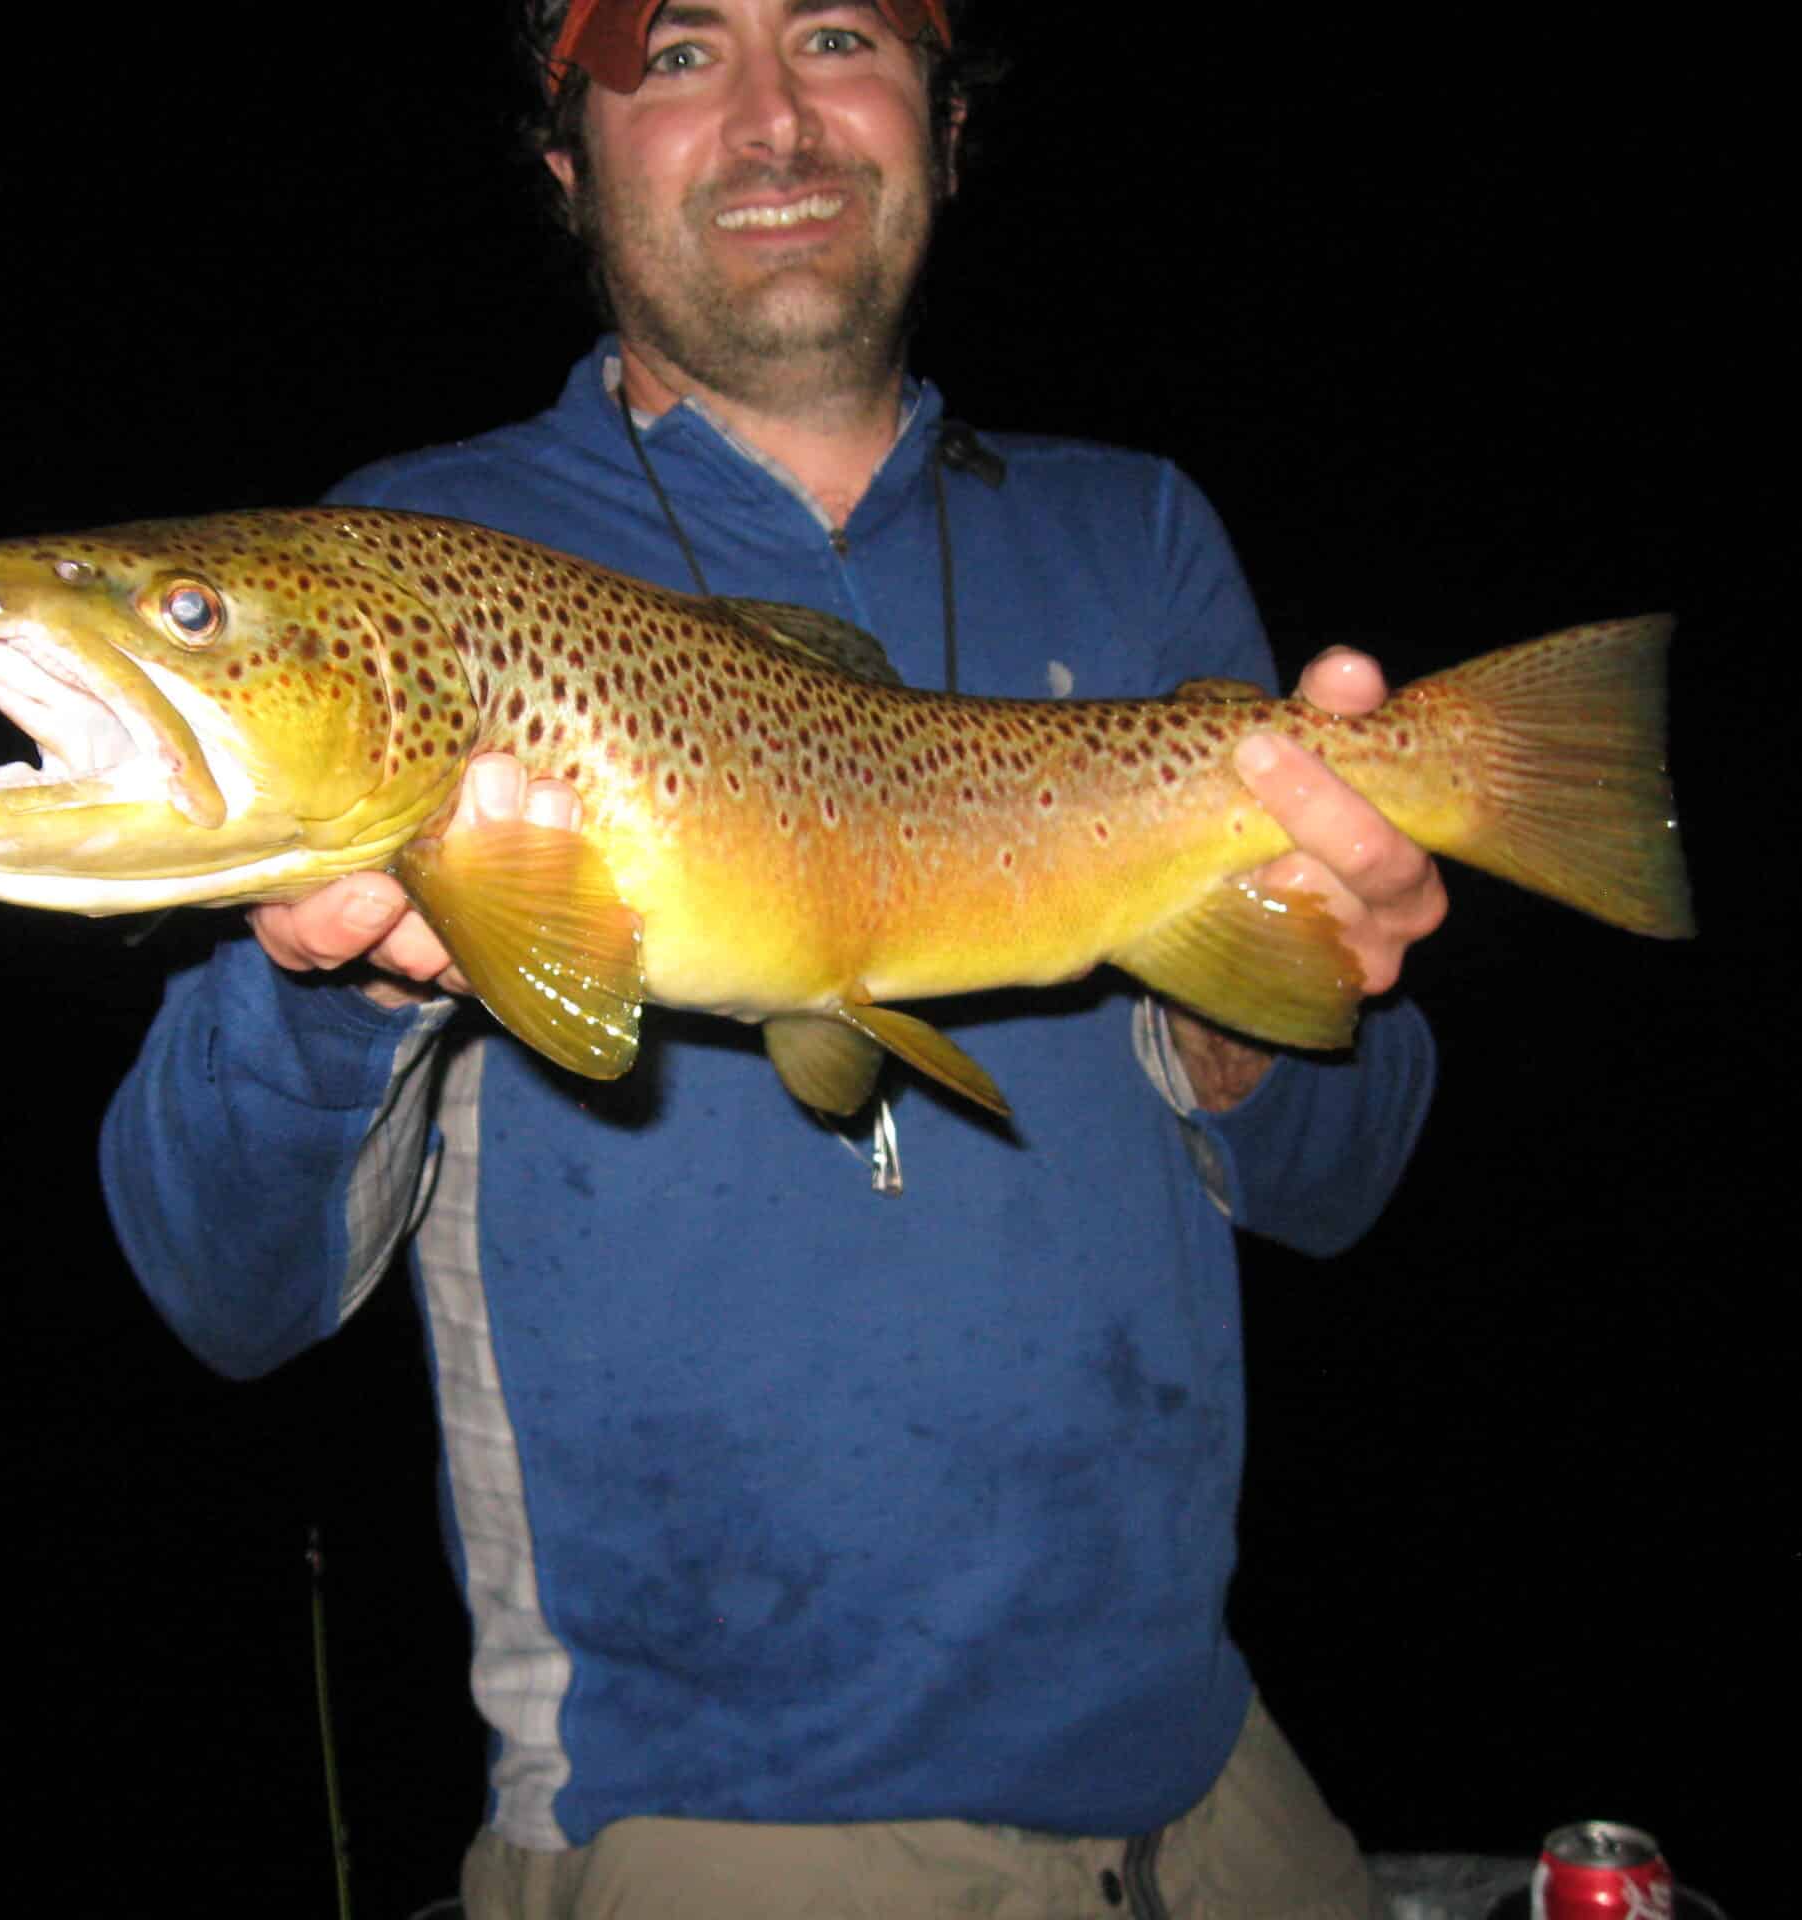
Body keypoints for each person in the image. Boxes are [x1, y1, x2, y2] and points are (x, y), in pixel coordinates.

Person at [102, 4, 1444, 1914]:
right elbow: (223, 1295)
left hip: (1212, 1779)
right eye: (674, 57)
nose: (772, 121)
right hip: (712, 1819)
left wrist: (1268, 1005)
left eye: (834, 34)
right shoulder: (405, 556)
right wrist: (340, 986)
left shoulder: (1135, 532)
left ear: (947, 129)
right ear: (566, 167)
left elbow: (1337, 1184)